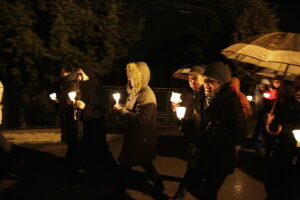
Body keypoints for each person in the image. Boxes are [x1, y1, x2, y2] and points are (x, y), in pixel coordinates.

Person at [182, 61, 246, 200]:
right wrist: (185, 123)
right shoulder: (200, 96)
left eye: (211, 81)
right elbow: (198, 118)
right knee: (190, 183)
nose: (206, 84)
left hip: (220, 158)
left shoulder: (230, 102)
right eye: (205, 80)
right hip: (202, 154)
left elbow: (239, 134)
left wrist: (210, 139)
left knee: (209, 192)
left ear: (221, 83)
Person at [52, 57, 118, 187]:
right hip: (82, 129)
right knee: (80, 155)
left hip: (95, 130)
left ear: (88, 74)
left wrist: (85, 107)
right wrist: (70, 104)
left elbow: (100, 112)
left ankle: (116, 177)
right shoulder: (78, 88)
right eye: (78, 73)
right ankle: (78, 180)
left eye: (81, 74)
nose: (78, 76)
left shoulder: (97, 89)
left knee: (103, 155)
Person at [113, 61, 164, 193]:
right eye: (128, 75)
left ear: (140, 76)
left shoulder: (146, 94)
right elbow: (130, 114)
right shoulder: (134, 92)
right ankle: (159, 184)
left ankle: (118, 188)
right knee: (143, 162)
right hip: (135, 137)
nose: (129, 78)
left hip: (142, 138)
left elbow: (142, 119)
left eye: (132, 75)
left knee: (129, 163)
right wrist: (121, 111)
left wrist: (122, 112)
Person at [170, 65, 205, 200]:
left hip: (201, 137)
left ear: (203, 79)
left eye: (196, 79)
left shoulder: (206, 96)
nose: (192, 82)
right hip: (190, 134)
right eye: (190, 79)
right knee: (193, 167)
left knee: (193, 167)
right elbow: (185, 114)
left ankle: (180, 194)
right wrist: (177, 109)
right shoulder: (188, 94)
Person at [264, 88, 300, 200]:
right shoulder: (284, 107)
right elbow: (273, 130)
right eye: (297, 89)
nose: (299, 93)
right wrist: (269, 122)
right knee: (276, 182)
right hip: (283, 150)